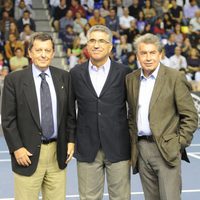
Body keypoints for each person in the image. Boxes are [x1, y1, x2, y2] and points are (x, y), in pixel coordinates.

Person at [1, 32, 75, 200]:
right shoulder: (14, 80)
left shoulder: (64, 77)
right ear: (30, 53)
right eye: (39, 50)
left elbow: (70, 114)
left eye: (47, 50)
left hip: (58, 154)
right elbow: (8, 119)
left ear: (53, 53)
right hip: (27, 155)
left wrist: (71, 140)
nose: (43, 54)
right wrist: (17, 148)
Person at [126, 33, 198, 200]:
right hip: (142, 150)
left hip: (167, 150)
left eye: (152, 53)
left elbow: (190, 115)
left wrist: (178, 144)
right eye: (143, 53)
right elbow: (131, 116)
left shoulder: (174, 77)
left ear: (160, 54)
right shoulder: (131, 79)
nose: (148, 57)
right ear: (138, 55)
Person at [70, 25, 131, 200]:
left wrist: (133, 145)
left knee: (121, 197)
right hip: (87, 148)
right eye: (92, 41)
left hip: (118, 147)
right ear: (87, 45)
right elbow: (69, 113)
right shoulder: (75, 73)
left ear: (110, 46)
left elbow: (133, 111)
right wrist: (71, 141)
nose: (96, 45)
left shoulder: (124, 73)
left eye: (102, 41)